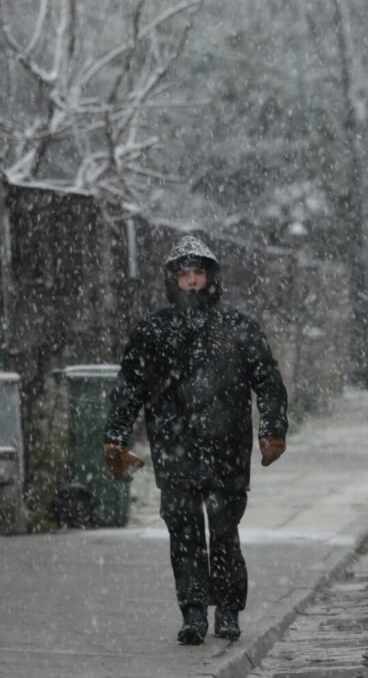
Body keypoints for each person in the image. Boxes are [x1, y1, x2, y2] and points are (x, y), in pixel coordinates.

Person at [103, 235, 288, 645]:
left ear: (210, 278)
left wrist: (272, 428)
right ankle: (192, 611)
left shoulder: (237, 327)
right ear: (173, 280)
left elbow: (268, 382)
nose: (191, 281)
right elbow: (129, 387)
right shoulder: (153, 332)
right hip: (174, 448)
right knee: (183, 530)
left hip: (227, 449)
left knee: (224, 529)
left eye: (198, 273)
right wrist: (115, 435)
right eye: (183, 274)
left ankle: (227, 609)